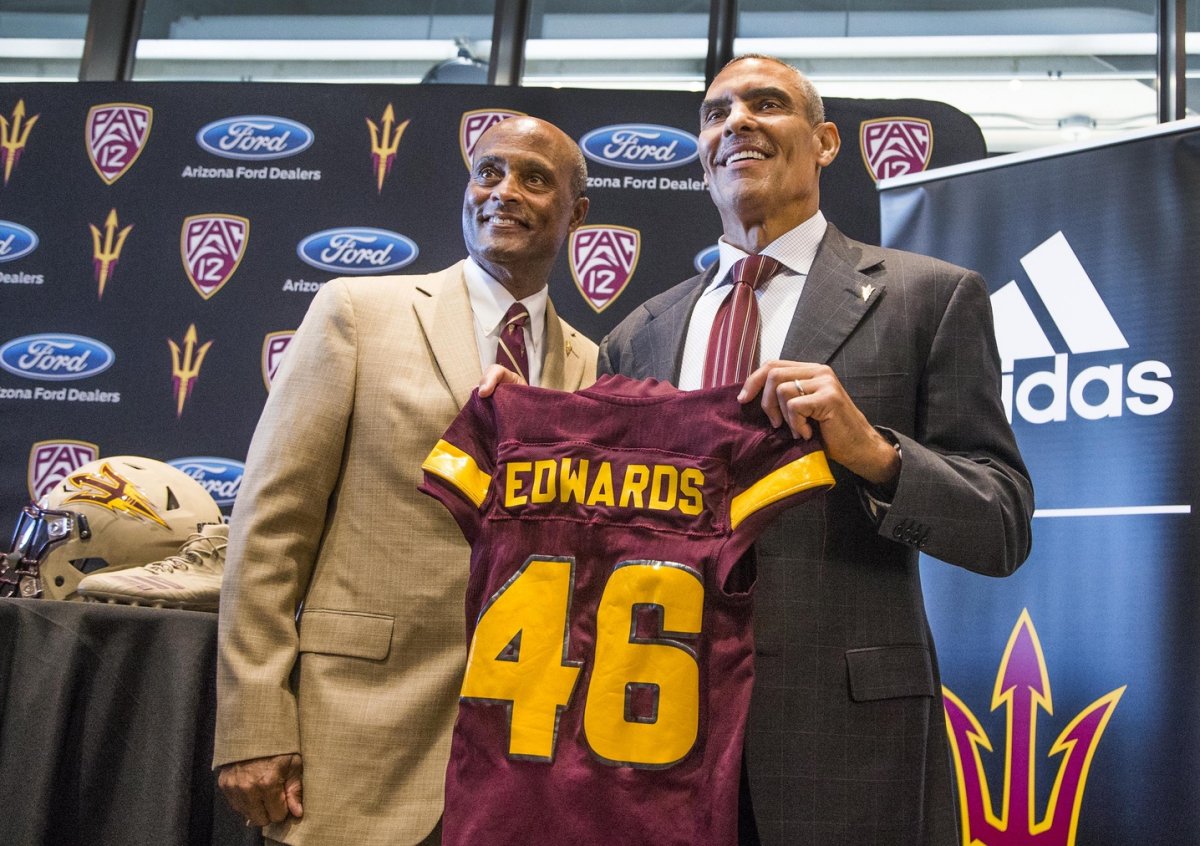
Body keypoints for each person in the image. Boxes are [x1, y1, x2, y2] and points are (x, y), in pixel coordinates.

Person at [598, 55, 1034, 845]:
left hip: (845, 744)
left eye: (767, 104)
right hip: (655, 743)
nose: (736, 123)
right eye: (716, 113)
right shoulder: (636, 337)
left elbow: (1002, 524)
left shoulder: (927, 297)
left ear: (827, 141)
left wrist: (872, 451)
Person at [213, 116, 598, 846]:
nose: (503, 192)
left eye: (534, 178)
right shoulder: (359, 313)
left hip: (519, 762)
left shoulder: (589, 362)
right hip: (354, 739)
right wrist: (252, 723)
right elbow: (269, 527)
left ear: (576, 214)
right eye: (489, 172)